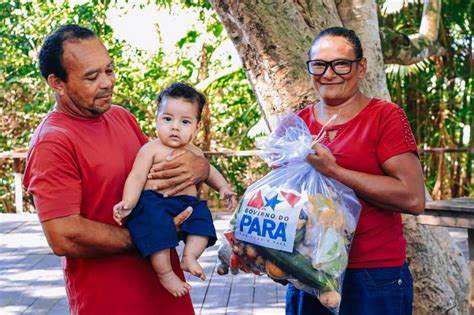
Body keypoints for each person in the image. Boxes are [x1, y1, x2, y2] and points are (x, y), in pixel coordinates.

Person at [23, 24, 209, 315]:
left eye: (108, 70)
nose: (107, 82)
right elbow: (63, 235)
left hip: (167, 293)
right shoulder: (53, 142)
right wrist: (151, 234)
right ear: (57, 83)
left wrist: (200, 167)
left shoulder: (120, 116)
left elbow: (163, 166)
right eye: (92, 76)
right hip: (110, 301)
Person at [285, 27, 426, 315]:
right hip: (307, 272)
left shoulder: (385, 117)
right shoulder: (295, 126)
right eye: (319, 65)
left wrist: (334, 171)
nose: (328, 73)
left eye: (341, 64)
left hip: (373, 275)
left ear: (361, 68)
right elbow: (282, 199)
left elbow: (413, 198)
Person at [113, 82, 236, 297]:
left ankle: (189, 256)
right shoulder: (151, 149)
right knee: (157, 227)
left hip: (186, 204)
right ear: (156, 120)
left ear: (196, 127)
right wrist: (128, 202)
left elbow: (209, 172)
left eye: (185, 121)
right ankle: (166, 273)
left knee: (202, 221)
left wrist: (224, 187)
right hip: (155, 202)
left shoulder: (195, 152)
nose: (175, 127)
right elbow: (137, 176)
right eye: (167, 119)